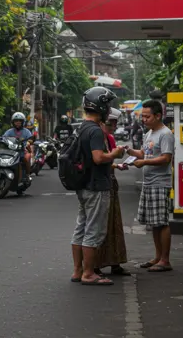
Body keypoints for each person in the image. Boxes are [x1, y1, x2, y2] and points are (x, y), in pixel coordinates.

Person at [70, 87, 125, 286]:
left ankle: (78, 271)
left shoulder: (81, 127)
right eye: (107, 104)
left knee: (81, 229)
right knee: (94, 230)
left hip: (84, 185)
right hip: (96, 186)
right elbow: (98, 158)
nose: (109, 108)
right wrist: (115, 154)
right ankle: (88, 273)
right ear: (100, 106)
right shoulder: (94, 131)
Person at [125, 100, 175, 272]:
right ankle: (158, 256)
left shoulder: (165, 134)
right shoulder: (148, 134)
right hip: (149, 182)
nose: (144, 120)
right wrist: (130, 152)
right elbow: (143, 153)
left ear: (158, 115)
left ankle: (165, 260)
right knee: (154, 223)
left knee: (161, 222)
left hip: (160, 182)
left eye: (147, 116)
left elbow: (166, 158)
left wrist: (144, 162)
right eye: (143, 116)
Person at [95, 108, 130, 277]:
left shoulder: (109, 138)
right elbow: (97, 160)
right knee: (99, 225)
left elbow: (107, 161)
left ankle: (115, 262)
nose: (114, 127)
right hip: (98, 184)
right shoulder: (96, 137)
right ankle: (94, 265)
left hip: (110, 182)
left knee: (114, 224)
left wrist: (116, 164)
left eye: (115, 124)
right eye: (111, 124)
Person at [3, 112, 33, 183]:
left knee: (27, 158)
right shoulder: (9, 131)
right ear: (13, 122)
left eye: (20, 121)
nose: (18, 122)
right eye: (16, 121)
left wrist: (28, 142)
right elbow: (3, 138)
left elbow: (31, 139)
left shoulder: (26, 131)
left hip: (22, 151)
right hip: (11, 152)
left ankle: (27, 175)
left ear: (23, 122)